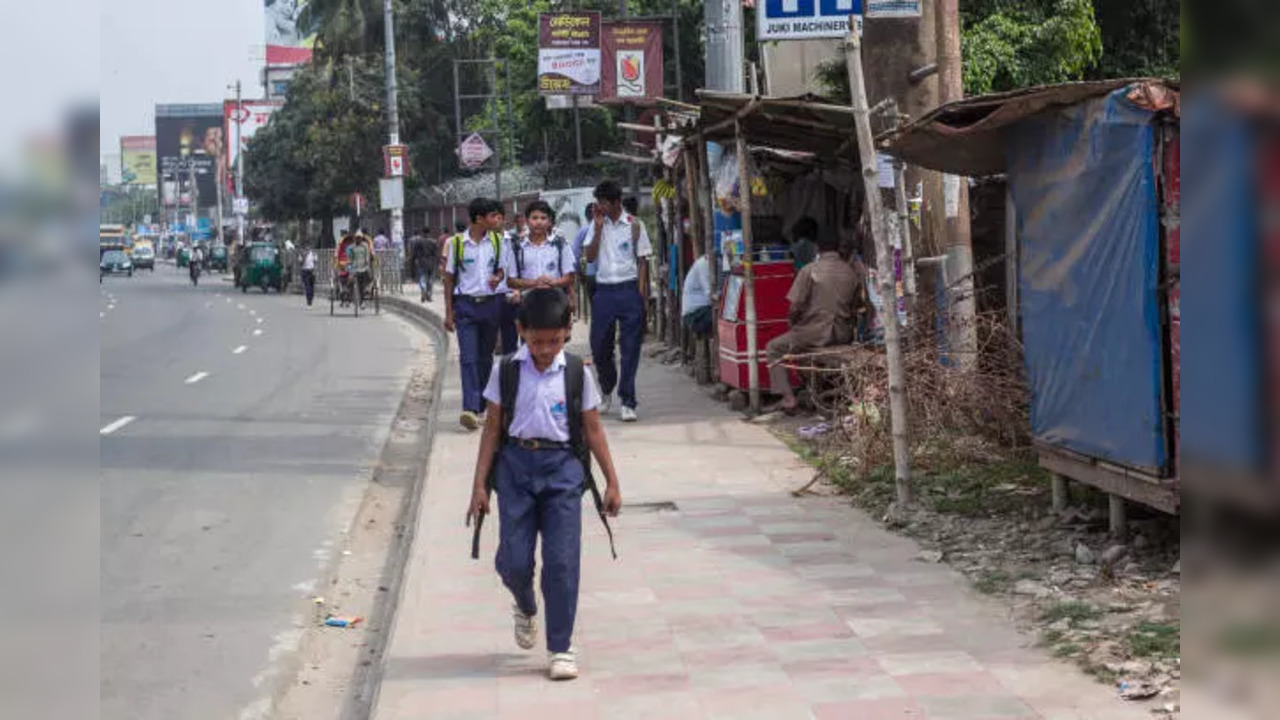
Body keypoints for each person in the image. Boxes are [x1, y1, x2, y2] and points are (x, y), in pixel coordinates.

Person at [466, 287, 622, 682]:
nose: (545, 349)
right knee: (514, 561)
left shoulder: (575, 372)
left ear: (567, 332)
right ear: (520, 331)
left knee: (562, 561)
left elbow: (594, 429)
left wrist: (612, 482)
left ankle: (560, 646)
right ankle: (524, 603)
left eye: (554, 341)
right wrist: (479, 485)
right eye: (537, 341)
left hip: (563, 471)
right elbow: (492, 429)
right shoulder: (506, 370)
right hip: (515, 470)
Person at [766, 228, 866, 414]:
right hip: (842, 334)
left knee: (774, 347)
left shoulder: (809, 270)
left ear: (818, 249)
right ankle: (813, 390)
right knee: (800, 347)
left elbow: (794, 307)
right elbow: (856, 307)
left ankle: (788, 398)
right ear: (838, 248)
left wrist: (793, 324)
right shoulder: (851, 273)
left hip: (813, 333)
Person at [584, 180, 652, 422]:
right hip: (604, 291)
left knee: (630, 347)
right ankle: (607, 386)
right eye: (598, 202)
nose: (599, 206)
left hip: (628, 289)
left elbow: (644, 261)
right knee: (599, 345)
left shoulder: (635, 225)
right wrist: (599, 228)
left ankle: (628, 401)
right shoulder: (596, 224)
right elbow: (590, 257)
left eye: (603, 202)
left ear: (615, 202)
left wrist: (640, 295)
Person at [444, 198, 508, 431]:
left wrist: (497, 277)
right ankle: (470, 408)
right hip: (466, 306)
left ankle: (480, 404)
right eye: (493, 216)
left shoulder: (499, 242)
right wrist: (449, 313)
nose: (497, 220)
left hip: (491, 305)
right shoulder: (457, 244)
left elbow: (502, 269)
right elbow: (449, 278)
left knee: (485, 358)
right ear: (479, 219)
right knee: (468, 358)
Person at [506, 200, 576, 303]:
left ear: (549, 221)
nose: (539, 222)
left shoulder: (560, 244)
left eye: (543, 218)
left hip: (556, 303)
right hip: (527, 303)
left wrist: (553, 282)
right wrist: (534, 283)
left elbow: (570, 277)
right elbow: (511, 281)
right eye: (534, 218)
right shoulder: (517, 246)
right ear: (527, 220)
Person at [680, 248, 713, 335]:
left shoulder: (703, 263)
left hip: (700, 311)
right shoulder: (703, 264)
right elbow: (709, 293)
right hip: (694, 315)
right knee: (718, 315)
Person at [571, 203, 598, 309]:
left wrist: (580, 273)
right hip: (610, 276)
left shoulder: (583, 231)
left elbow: (575, 253)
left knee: (596, 309)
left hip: (591, 274)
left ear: (586, 216)